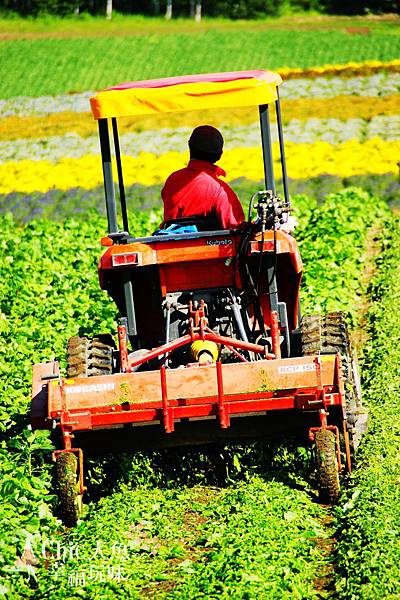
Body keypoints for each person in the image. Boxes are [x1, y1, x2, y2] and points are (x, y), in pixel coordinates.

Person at [161, 125, 245, 230]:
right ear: (219, 155)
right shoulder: (221, 191)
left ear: (189, 146)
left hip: (169, 245)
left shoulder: (172, 180)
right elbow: (237, 231)